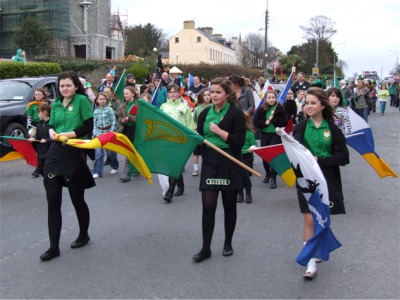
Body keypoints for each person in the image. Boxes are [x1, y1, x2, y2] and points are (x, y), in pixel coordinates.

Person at [293, 87, 349, 279]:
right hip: (305, 179)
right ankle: (310, 264)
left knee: (321, 219)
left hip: (327, 179)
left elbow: (344, 156)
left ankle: (318, 247)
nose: (308, 106)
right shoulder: (300, 127)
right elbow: (295, 152)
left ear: (322, 106)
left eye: (312, 103)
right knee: (309, 219)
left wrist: (321, 161)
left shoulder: (332, 128)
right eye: (306, 103)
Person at [40, 71, 95, 261]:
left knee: (77, 199)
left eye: (68, 85)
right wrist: (53, 132)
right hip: (55, 155)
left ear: (76, 86)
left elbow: (88, 126)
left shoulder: (82, 101)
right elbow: (51, 125)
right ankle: (53, 247)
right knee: (53, 202)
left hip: (74, 154)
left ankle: (83, 234)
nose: (65, 88)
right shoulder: (55, 104)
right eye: (62, 85)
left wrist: (69, 135)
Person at [192, 77, 246, 263]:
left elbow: (239, 142)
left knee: (229, 205)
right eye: (212, 92)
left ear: (227, 94)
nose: (213, 95)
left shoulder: (236, 114)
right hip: (210, 164)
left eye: (217, 92)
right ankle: (205, 248)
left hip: (229, 162)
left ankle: (228, 243)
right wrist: (195, 140)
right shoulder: (204, 113)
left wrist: (220, 132)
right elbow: (198, 142)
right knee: (208, 207)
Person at [160, 84, 193, 203]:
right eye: (170, 92)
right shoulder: (163, 107)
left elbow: (190, 123)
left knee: (175, 164)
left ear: (179, 93)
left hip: (181, 140)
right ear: (167, 94)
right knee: (173, 165)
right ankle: (181, 184)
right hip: (167, 139)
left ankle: (170, 191)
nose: (173, 94)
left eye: (175, 92)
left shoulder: (184, 107)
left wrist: (190, 138)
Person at [253, 90, 288, 188]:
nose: (271, 99)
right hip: (265, 135)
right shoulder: (261, 109)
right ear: (265, 99)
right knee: (266, 156)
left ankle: (273, 177)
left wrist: (274, 120)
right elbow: (256, 122)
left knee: (274, 157)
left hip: (275, 135)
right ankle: (267, 173)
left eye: (273, 97)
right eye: (269, 98)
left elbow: (284, 122)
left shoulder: (280, 108)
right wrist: (265, 123)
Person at [92, 92, 119, 179]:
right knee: (99, 153)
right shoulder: (95, 111)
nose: (102, 101)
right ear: (97, 100)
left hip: (108, 133)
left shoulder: (109, 110)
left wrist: (111, 132)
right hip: (99, 134)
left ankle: (114, 166)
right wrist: (95, 133)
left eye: (104, 99)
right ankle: (97, 171)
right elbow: (94, 123)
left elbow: (113, 121)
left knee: (111, 152)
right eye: (100, 99)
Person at [118, 86, 139, 182]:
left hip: (136, 129)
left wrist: (129, 118)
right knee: (129, 149)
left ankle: (130, 169)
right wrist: (122, 120)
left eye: (127, 93)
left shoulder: (138, 104)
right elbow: (119, 117)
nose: (125, 95)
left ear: (133, 94)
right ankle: (130, 169)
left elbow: (140, 118)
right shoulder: (123, 105)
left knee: (134, 148)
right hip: (126, 129)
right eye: (124, 93)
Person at [28, 103, 52, 178]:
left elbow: (55, 137)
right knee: (40, 164)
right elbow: (38, 136)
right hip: (41, 149)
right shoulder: (39, 125)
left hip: (49, 149)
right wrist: (34, 139)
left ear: (45, 113)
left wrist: (46, 140)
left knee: (47, 166)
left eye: (39, 113)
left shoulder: (51, 124)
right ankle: (40, 171)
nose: (38, 115)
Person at [238, 111, 257, 203]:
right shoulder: (234, 132)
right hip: (237, 156)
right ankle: (240, 194)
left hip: (247, 157)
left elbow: (254, 144)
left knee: (245, 176)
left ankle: (248, 193)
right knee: (238, 176)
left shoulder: (249, 133)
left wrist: (251, 148)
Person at [192, 87, 211, 176]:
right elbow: (194, 120)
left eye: (208, 95)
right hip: (199, 132)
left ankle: (206, 168)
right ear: (201, 97)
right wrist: (195, 126)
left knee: (206, 151)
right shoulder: (197, 109)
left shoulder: (213, 107)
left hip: (209, 132)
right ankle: (195, 168)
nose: (207, 97)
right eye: (205, 95)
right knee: (196, 151)